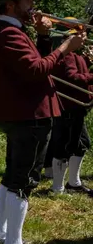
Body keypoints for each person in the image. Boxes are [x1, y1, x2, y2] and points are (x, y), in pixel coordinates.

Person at [0, 0, 85, 244]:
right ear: (11, 5)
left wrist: (43, 37)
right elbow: (36, 69)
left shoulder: (7, 31)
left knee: (12, 176)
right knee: (24, 181)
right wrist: (66, 47)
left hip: (21, 114)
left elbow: (36, 62)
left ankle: (2, 234)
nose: (33, 6)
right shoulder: (8, 33)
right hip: (28, 115)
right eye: (28, 1)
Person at [47, 20, 93, 195]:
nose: (84, 38)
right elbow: (72, 77)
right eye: (80, 35)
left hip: (76, 107)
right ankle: (58, 187)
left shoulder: (73, 55)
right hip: (69, 107)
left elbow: (77, 71)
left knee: (80, 144)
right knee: (64, 146)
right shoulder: (67, 56)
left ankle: (73, 182)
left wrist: (87, 61)